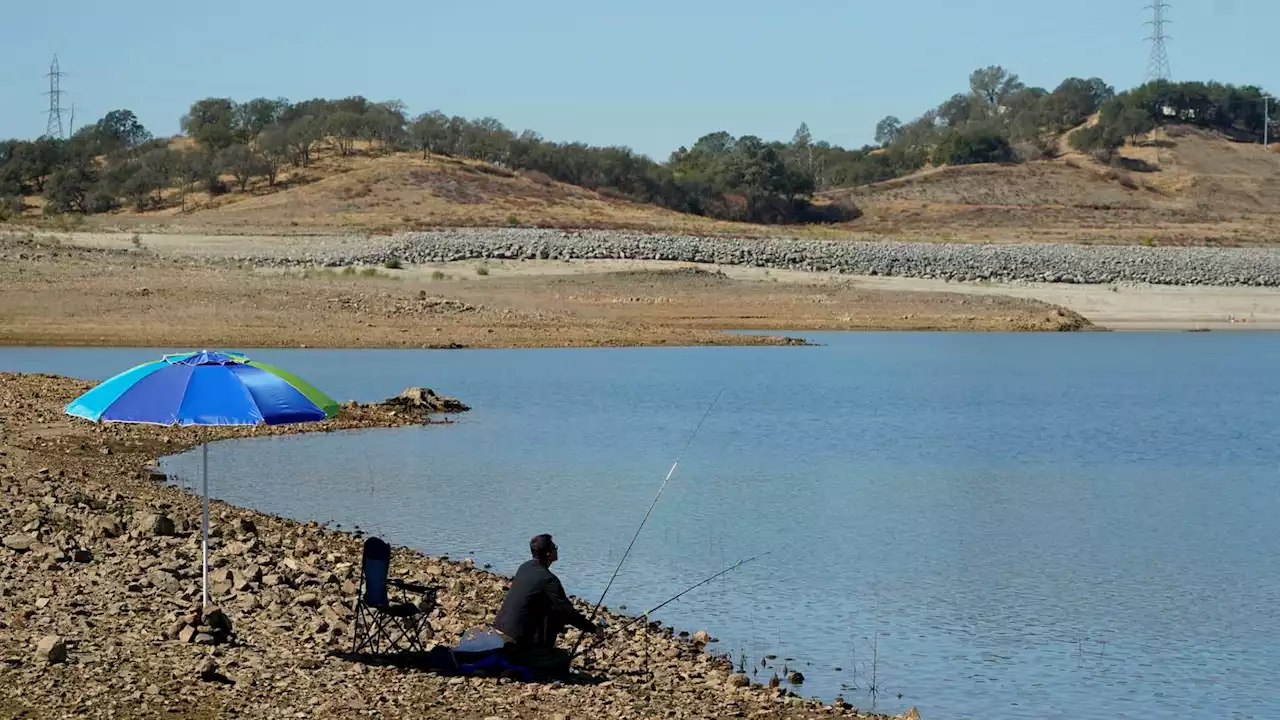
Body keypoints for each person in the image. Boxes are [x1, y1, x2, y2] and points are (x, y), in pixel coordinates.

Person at [493, 533, 603, 679]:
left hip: (498, 634)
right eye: (554, 547)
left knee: (551, 610)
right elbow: (569, 613)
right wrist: (593, 629)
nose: (556, 549)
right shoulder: (549, 581)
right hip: (515, 643)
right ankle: (528, 661)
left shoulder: (524, 567)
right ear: (549, 554)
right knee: (562, 659)